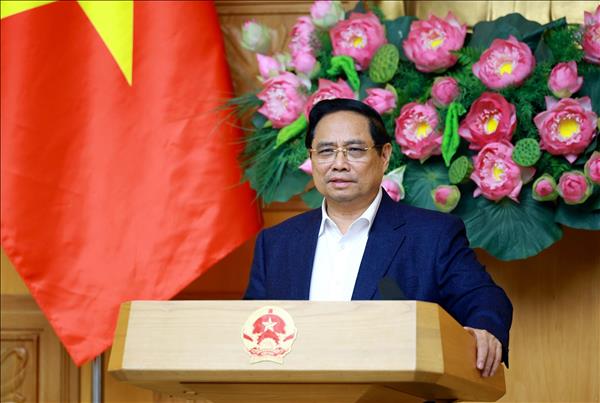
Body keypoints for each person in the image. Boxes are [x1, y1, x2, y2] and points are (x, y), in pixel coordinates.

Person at [245, 98, 512, 378]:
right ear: (311, 158)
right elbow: (248, 328)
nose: (339, 164)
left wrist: (485, 329)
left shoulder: (432, 236)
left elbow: (483, 298)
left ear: (384, 156)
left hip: (396, 392)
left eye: (354, 150)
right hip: (295, 392)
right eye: (325, 151)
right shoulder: (276, 243)